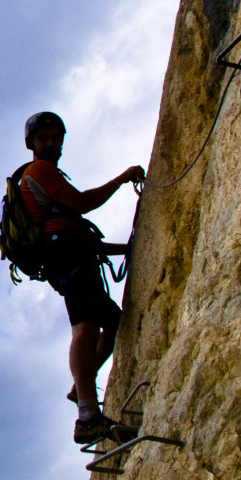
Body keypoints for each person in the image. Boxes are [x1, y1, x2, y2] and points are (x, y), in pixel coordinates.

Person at [19, 111, 144, 444]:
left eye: (54, 137)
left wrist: (130, 246)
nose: (49, 143)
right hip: (67, 253)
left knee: (113, 321)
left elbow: (85, 234)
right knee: (85, 325)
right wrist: (121, 179)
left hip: (74, 251)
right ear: (31, 144)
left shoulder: (49, 174)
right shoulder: (40, 170)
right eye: (42, 138)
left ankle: (82, 386)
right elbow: (84, 203)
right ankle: (88, 415)